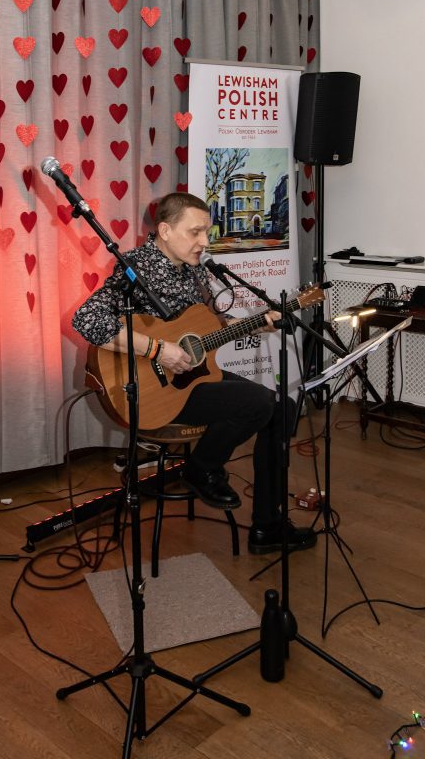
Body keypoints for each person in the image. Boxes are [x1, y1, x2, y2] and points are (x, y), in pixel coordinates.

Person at [72, 191, 316, 555]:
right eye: (195, 232)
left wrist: (255, 323)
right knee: (259, 402)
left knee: (284, 407)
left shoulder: (194, 268)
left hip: (192, 378)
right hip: (153, 390)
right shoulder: (137, 267)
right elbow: (87, 319)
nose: (204, 241)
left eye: (207, 232)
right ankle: (202, 467)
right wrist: (157, 349)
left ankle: (269, 526)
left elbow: (203, 327)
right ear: (165, 230)